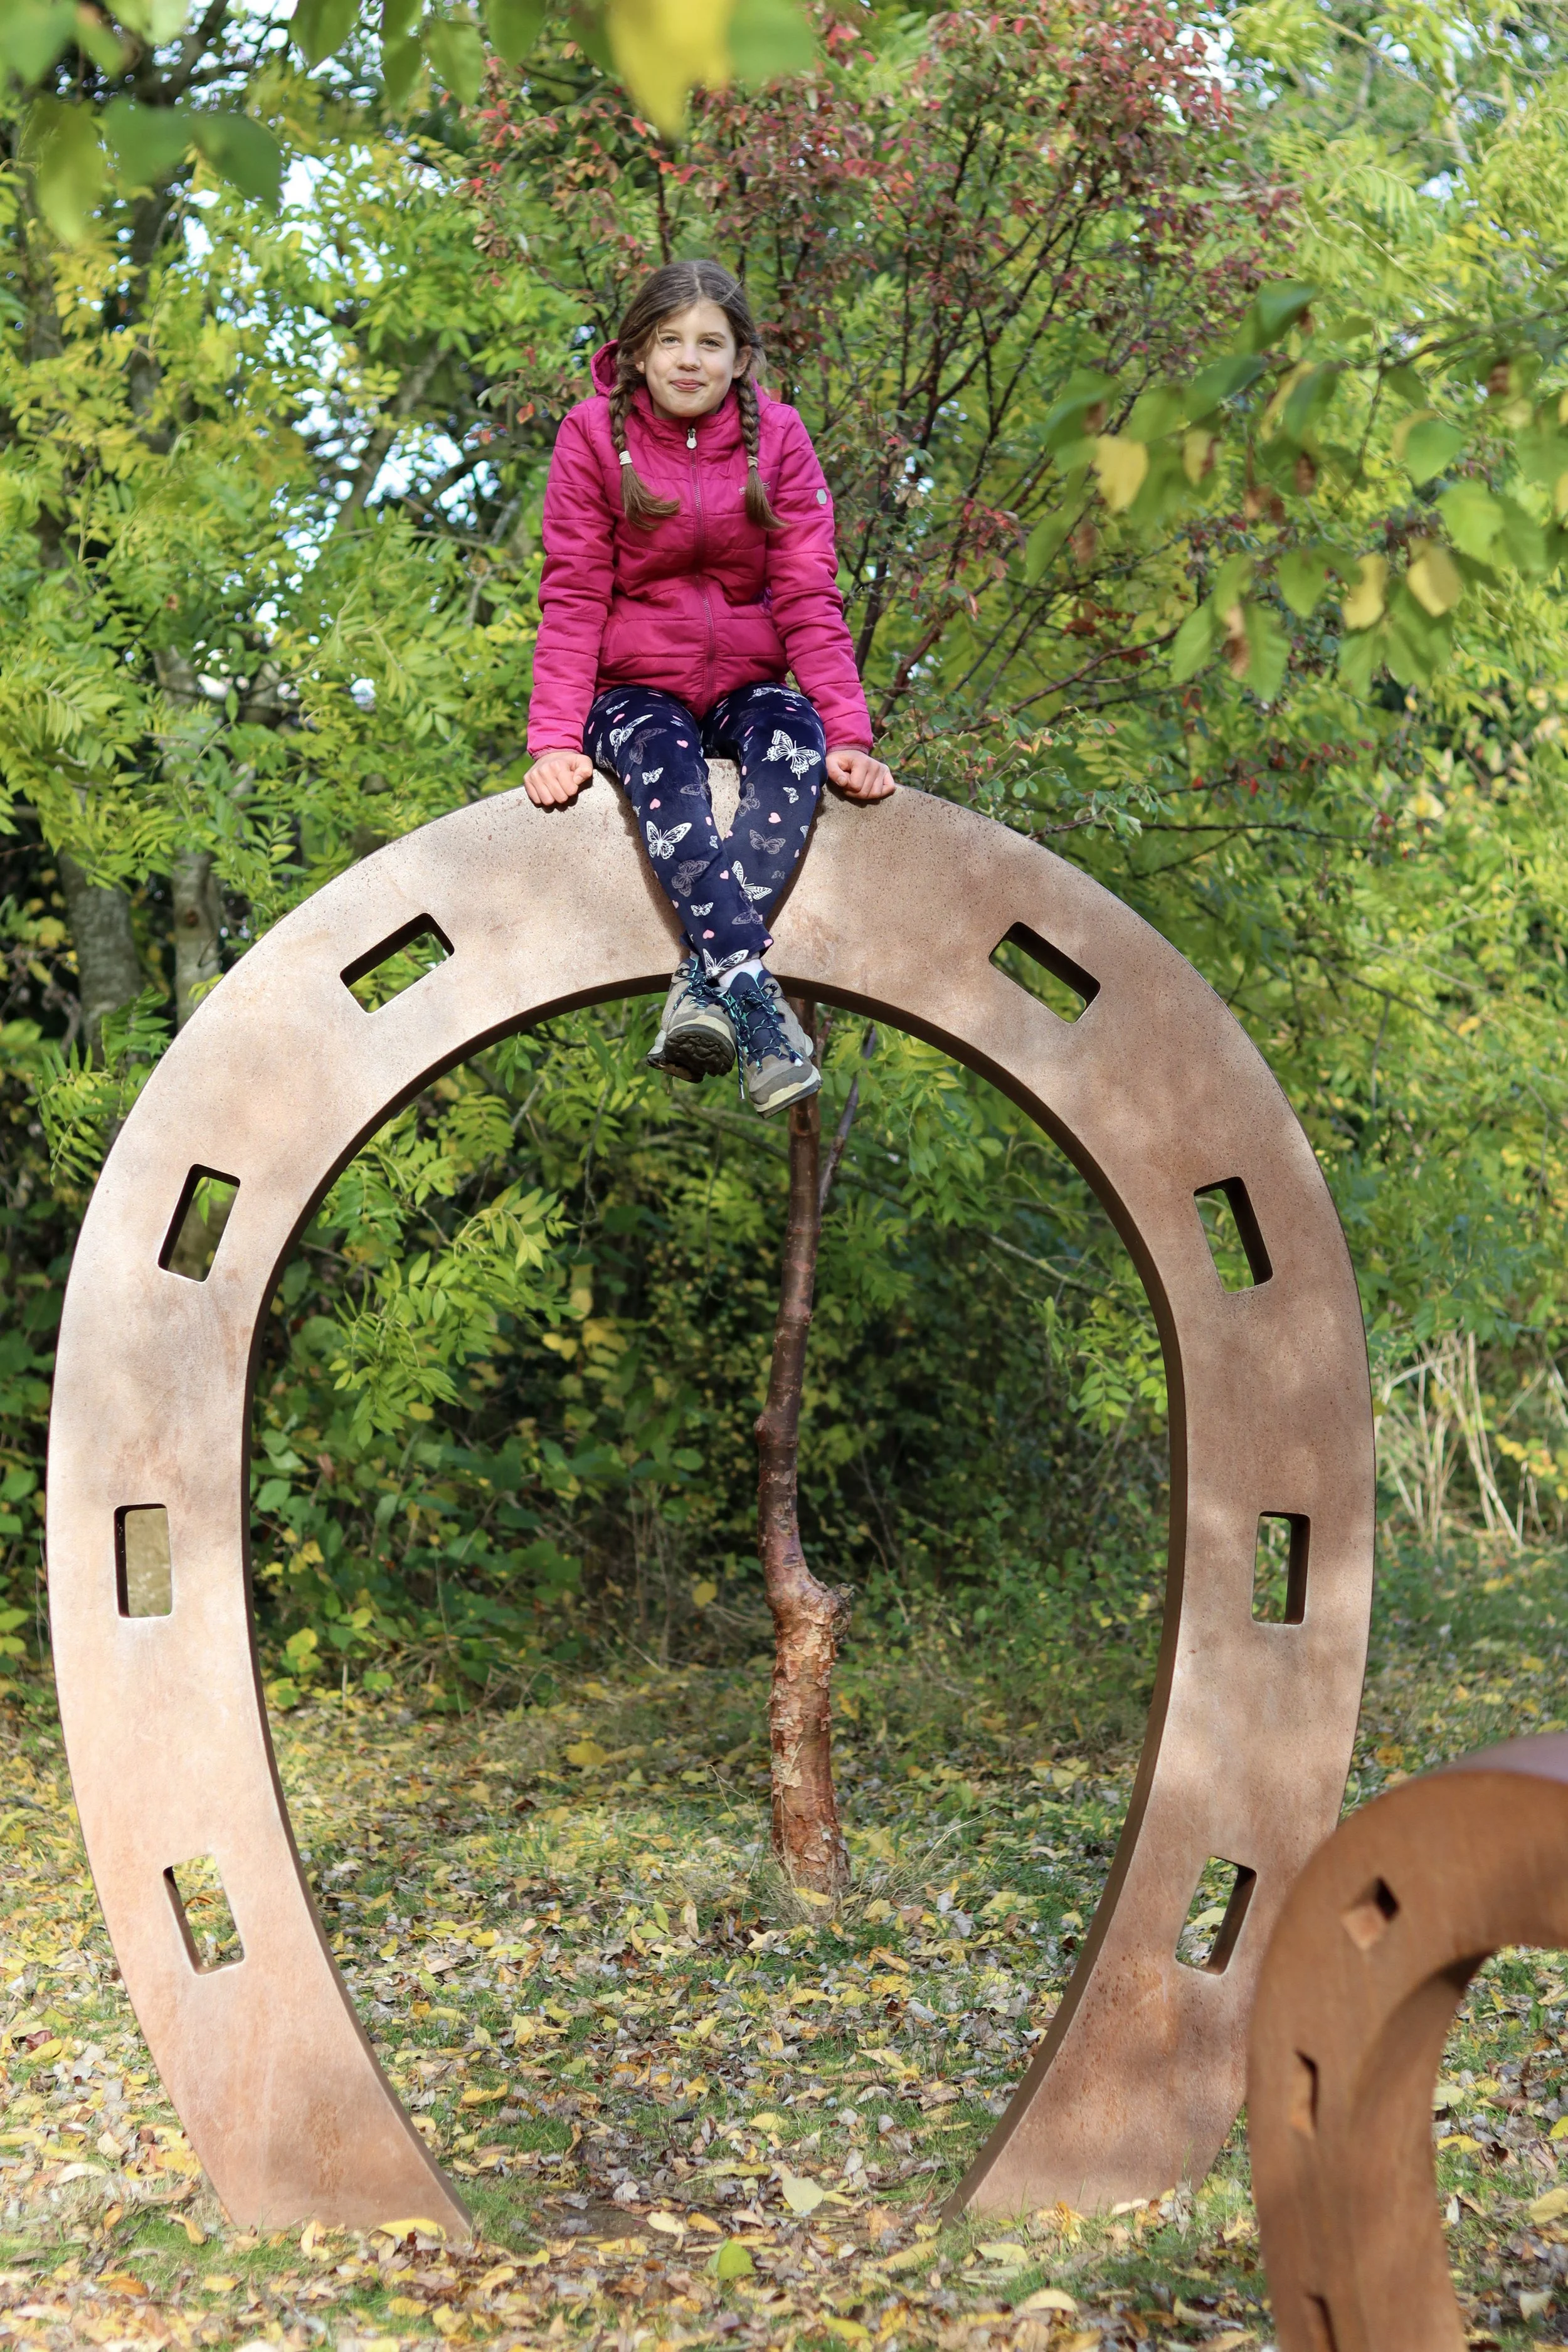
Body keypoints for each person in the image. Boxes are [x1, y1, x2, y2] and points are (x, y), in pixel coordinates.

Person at [522, 258, 896, 1117]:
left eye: (710, 343)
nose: (689, 360)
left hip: (746, 678)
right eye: (670, 342)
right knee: (668, 769)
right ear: (638, 353)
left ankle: (705, 983)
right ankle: (758, 1007)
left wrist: (848, 731)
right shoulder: (592, 437)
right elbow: (575, 590)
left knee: (790, 743)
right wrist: (553, 739)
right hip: (634, 686)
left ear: (740, 358)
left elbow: (807, 590)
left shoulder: (781, 438)